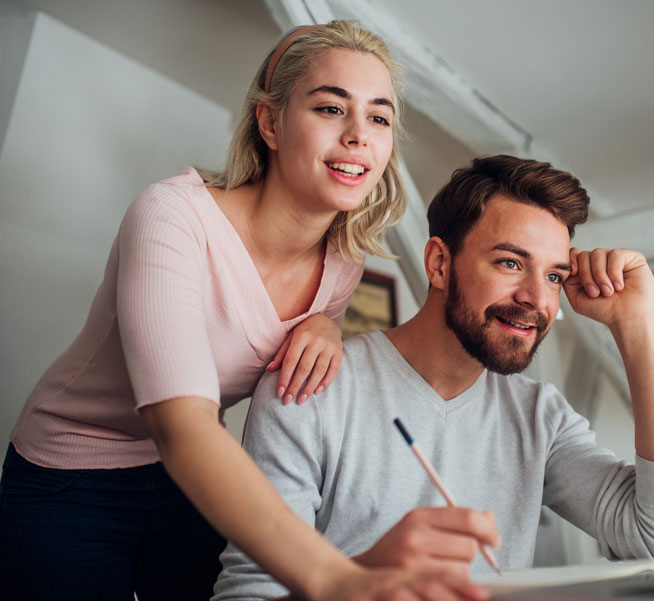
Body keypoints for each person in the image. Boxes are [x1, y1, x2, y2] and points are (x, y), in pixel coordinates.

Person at [0, 21, 486, 601]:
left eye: (379, 117)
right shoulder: (172, 218)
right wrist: (331, 575)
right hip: (69, 473)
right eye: (332, 108)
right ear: (271, 122)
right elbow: (180, 426)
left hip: (188, 478)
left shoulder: (344, 262)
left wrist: (325, 323)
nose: (359, 135)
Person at [213, 155, 654, 599]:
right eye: (510, 262)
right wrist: (361, 579)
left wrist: (639, 326)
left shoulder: (540, 418)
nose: (537, 300)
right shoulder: (312, 389)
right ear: (438, 263)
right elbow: (247, 597)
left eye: (554, 276)